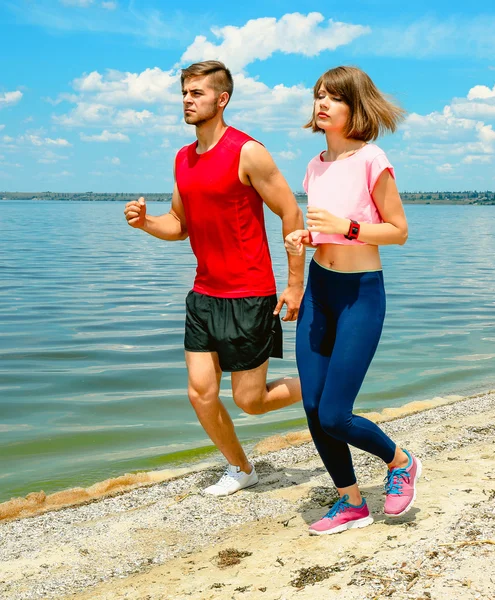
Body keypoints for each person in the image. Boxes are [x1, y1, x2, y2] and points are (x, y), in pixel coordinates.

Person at [124, 60, 304, 496]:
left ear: (221, 99)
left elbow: (290, 211)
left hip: (250, 293)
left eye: (197, 93)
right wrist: (147, 223)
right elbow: (179, 225)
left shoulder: (247, 152)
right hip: (204, 294)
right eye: (185, 92)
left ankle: (326, 380)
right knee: (200, 393)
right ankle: (242, 468)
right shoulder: (183, 159)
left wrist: (295, 282)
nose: (187, 100)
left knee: (250, 401)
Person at [285, 66, 420, 535]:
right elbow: (326, 230)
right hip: (321, 290)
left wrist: (349, 228)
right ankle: (351, 502)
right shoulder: (315, 164)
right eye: (318, 95)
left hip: (360, 295)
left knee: (334, 412)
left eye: (333, 98)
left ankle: (400, 461)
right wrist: (309, 237)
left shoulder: (372, 158)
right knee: (312, 406)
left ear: (354, 106)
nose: (321, 103)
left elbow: (399, 231)